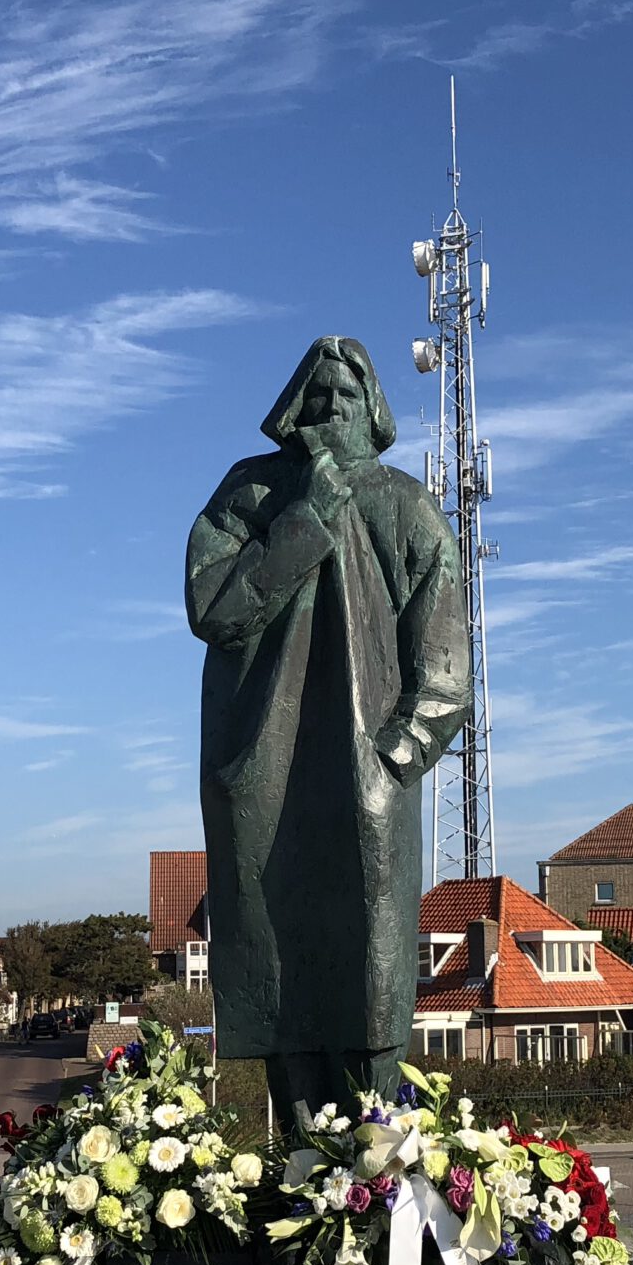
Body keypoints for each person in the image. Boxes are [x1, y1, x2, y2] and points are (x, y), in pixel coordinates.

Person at [187, 337, 472, 1126]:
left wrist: (397, 754)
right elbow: (213, 609)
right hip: (264, 770)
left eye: (347, 395)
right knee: (275, 965)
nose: (331, 410)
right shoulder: (250, 492)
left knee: (369, 972)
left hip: (364, 776)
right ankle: (301, 1159)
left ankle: (371, 1165)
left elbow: (445, 656)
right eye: (316, 396)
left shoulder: (405, 504)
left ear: (372, 408)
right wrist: (304, 516)